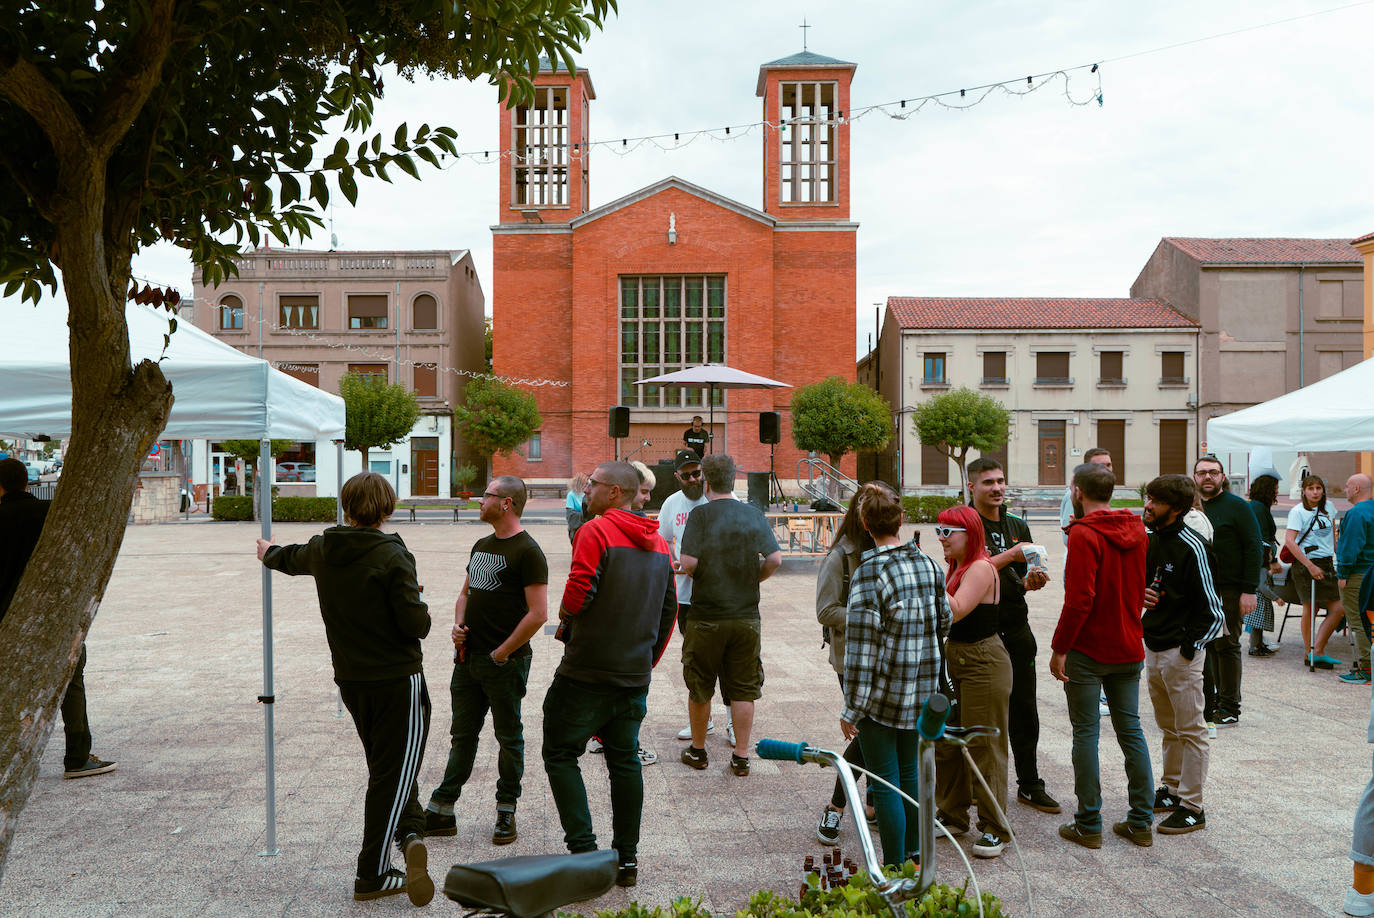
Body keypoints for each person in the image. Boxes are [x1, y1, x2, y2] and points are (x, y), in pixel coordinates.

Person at [256, 471, 433, 905]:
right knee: (393, 770)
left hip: (351, 679)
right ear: (387, 508)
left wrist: (268, 552)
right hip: (397, 678)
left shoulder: (323, 548)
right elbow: (416, 624)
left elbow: (289, 557)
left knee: (387, 764)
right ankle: (371, 873)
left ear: (346, 505)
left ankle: (410, 831)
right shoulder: (393, 554)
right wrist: (420, 600)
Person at [542, 461, 677, 888]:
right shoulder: (660, 544)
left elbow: (578, 592)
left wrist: (566, 617)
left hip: (586, 672)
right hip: (633, 675)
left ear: (615, 492)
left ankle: (584, 854)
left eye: (593, 485)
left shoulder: (595, 531)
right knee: (624, 761)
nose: (587, 491)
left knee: (560, 752)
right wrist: (646, 660)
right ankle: (627, 862)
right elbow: (669, 610)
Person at [423, 476, 547, 845]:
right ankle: (443, 810)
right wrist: (459, 624)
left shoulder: (528, 551)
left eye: (487, 495)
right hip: (467, 660)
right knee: (462, 736)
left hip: (504, 664)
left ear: (506, 503)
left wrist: (503, 652)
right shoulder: (481, 545)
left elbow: (539, 614)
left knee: (509, 738)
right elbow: (466, 593)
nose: (480, 500)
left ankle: (506, 811)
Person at [842, 483, 950, 867]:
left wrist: (852, 708)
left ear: (865, 523)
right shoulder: (928, 564)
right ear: (901, 520)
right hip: (921, 692)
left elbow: (860, 649)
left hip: (881, 697)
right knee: (910, 777)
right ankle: (915, 858)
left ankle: (894, 866)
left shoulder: (869, 571)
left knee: (885, 782)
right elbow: (945, 620)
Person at [1051, 462, 1154, 849]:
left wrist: (1060, 647)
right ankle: (1141, 821)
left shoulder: (1084, 535)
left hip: (1090, 648)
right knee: (1132, 731)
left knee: (1086, 733)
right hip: (1129, 644)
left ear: (1077, 491)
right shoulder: (1137, 530)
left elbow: (1080, 599)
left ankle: (1088, 823)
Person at [0, 457, 117, 780]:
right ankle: (77, 756)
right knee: (72, 684)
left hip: (6, 616)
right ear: (26, 482)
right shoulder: (51, 514)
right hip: (53, 616)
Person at [678, 454, 782, 776]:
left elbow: (689, 563)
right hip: (746, 616)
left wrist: (705, 575)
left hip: (706, 615)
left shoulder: (700, 516)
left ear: (706, 481)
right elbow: (775, 559)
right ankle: (740, 757)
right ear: (734, 479)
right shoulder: (753, 514)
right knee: (743, 688)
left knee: (700, 685)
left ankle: (698, 752)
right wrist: (752, 578)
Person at [967, 457, 1059, 815]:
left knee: (1025, 712)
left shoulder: (1018, 524)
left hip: (1017, 630)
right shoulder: (964, 524)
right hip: (979, 632)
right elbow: (967, 573)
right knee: (980, 717)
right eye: (988, 482)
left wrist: (1031, 581)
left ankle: (1030, 783)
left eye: (1001, 481)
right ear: (972, 486)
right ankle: (976, 784)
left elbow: (1025, 574)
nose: (997, 488)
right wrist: (1010, 556)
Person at [1141, 475, 1225, 836]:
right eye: (1147, 497)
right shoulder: (1151, 541)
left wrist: (1189, 649)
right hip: (1154, 646)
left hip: (1181, 651)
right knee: (1168, 727)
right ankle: (1172, 789)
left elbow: (1215, 611)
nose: (1147, 505)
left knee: (1192, 730)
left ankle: (1193, 805)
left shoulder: (1194, 546)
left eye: (1154, 501)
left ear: (1176, 509)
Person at [933, 505, 1013, 859]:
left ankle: (996, 827)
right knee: (948, 740)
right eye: (939, 530)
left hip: (983, 661)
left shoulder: (981, 567)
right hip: (958, 658)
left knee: (984, 744)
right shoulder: (957, 567)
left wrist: (929, 576)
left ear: (969, 533)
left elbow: (957, 609)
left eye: (948, 531)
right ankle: (952, 814)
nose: (941, 538)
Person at [814, 487, 880, 844]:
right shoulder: (841, 555)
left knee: (876, 732)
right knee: (869, 732)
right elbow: (825, 610)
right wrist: (870, 617)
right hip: (851, 657)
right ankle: (837, 805)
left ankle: (872, 803)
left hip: (888, 657)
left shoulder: (895, 549)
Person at [658, 450, 732, 746]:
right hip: (687, 599)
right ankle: (704, 720)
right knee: (695, 661)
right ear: (677, 476)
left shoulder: (721, 500)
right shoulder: (671, 504)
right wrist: (671, 563)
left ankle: (731, 721)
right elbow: (662, 539)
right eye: (686, 474)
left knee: (726, 660)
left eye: (697, 473)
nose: (693, 479)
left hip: (719, 595)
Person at [1195, 455, 1260, 729]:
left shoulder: (1237, 507)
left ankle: (1230, 706)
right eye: (1202, 473)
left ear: (1223, 477)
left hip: (1231, 589)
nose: (1207, 477)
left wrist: (1249, 590)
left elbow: (1254, 547)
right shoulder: (1193, 508)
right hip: (1201, 588)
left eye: (1213, 472)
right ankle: (1210, 702)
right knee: (1205, 646)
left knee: (1227, 644)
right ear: (1195, 477)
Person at [1285, 474, 1350, 675]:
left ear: (1323, 490)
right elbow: (1290, 541)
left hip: (1327, 562)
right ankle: (1310, 651)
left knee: (1339, 608)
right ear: (1303, 490)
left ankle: (1318, 648)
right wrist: (1310, 565)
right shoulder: (1297, 512)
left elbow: (1332, 534)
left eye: (1318, 488)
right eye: (1310, 488)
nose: (1315, 492)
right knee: (1310, 608)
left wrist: (1338, 557)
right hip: (1306, 564)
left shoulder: (1329, 507)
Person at [1338, 474, 1374, 686]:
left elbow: (1351, 547)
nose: (1345, 490)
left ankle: (1366, 668)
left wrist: (1343, 574)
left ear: (1357, 489)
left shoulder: (1355, 514)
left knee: (1358, 619)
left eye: (1347, 486)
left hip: (1359, 574)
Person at [1243, 473, 1283, 656]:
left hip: (1260, 558)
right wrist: (1272, 560)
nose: (1277, 491)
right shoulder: (1259, 508)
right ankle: (1255, 645)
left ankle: (1256, 643)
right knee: (1259, 600)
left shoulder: (1256, 506)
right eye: (1274, 488)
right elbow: (1262, 538)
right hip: (1261, 560)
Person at [1059, 447, 1112, 546]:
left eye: (1108, 465)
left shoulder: (1104, 494)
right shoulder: (1076, 496)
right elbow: (1068, 540)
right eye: (1100, 466)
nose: (1106, 471)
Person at [565, 473, 588, 545]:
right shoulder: (571, 494)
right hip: (576, 526)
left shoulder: (587, 493)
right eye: (586, 483)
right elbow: (569, 511)